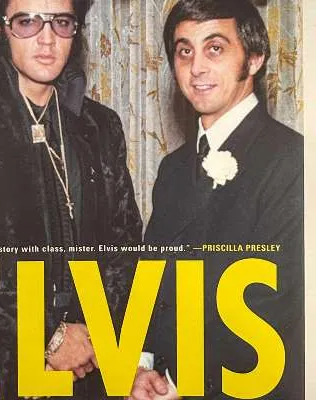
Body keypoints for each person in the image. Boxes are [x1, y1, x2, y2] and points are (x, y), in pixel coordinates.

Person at [0, 0, 142, 398]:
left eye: (61, 22)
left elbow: (124, 242)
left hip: (89, 366)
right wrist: (48, 334)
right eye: (27, 22)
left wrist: (91, 339)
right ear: (0, 27)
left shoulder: (100, 125)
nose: (47, 39)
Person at [128, 0, 303, 399]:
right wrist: (138, 365)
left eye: (215, 48)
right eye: (184, 51)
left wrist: (182, 387)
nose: (196, 68)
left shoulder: (293, 160)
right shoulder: (173, 168)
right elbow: (152, 281)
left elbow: (271, 308)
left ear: (254, 58)